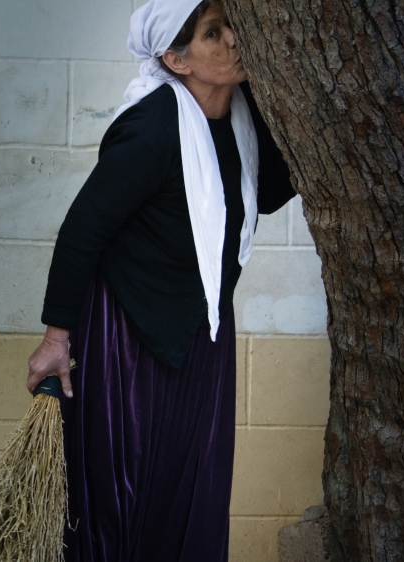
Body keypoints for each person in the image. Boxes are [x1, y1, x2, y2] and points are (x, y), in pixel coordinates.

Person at [25, 0, 296, 560]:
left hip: (200, 332)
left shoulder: (244, 117)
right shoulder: (151, 130)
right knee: (123, 495)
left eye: (229, 26)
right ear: (176, 59)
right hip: (129, 339)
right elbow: (82, 232)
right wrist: (56, 341)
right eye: (212, 33)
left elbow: (265, 193)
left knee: (194, 484)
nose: (232, 40)